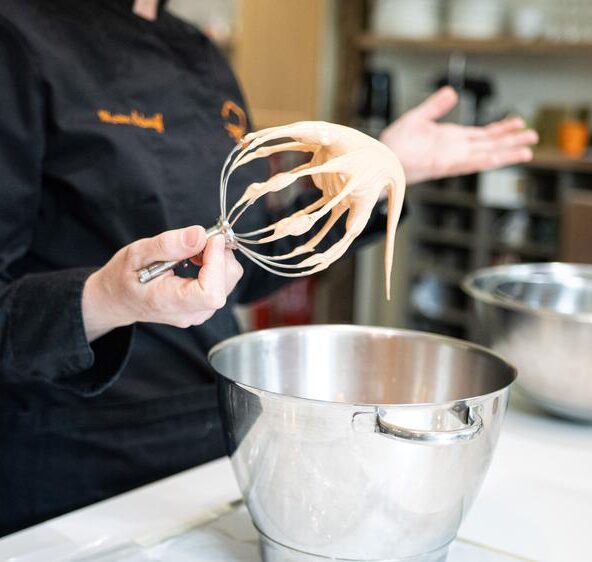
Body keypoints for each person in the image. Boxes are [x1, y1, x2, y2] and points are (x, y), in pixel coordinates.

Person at [0, 0, 537, 536]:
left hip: (219, 442)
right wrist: (109, 297)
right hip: (71, 464)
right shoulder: (16, 36)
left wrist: (372, 174)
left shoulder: (199, 53)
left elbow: (247, 262)